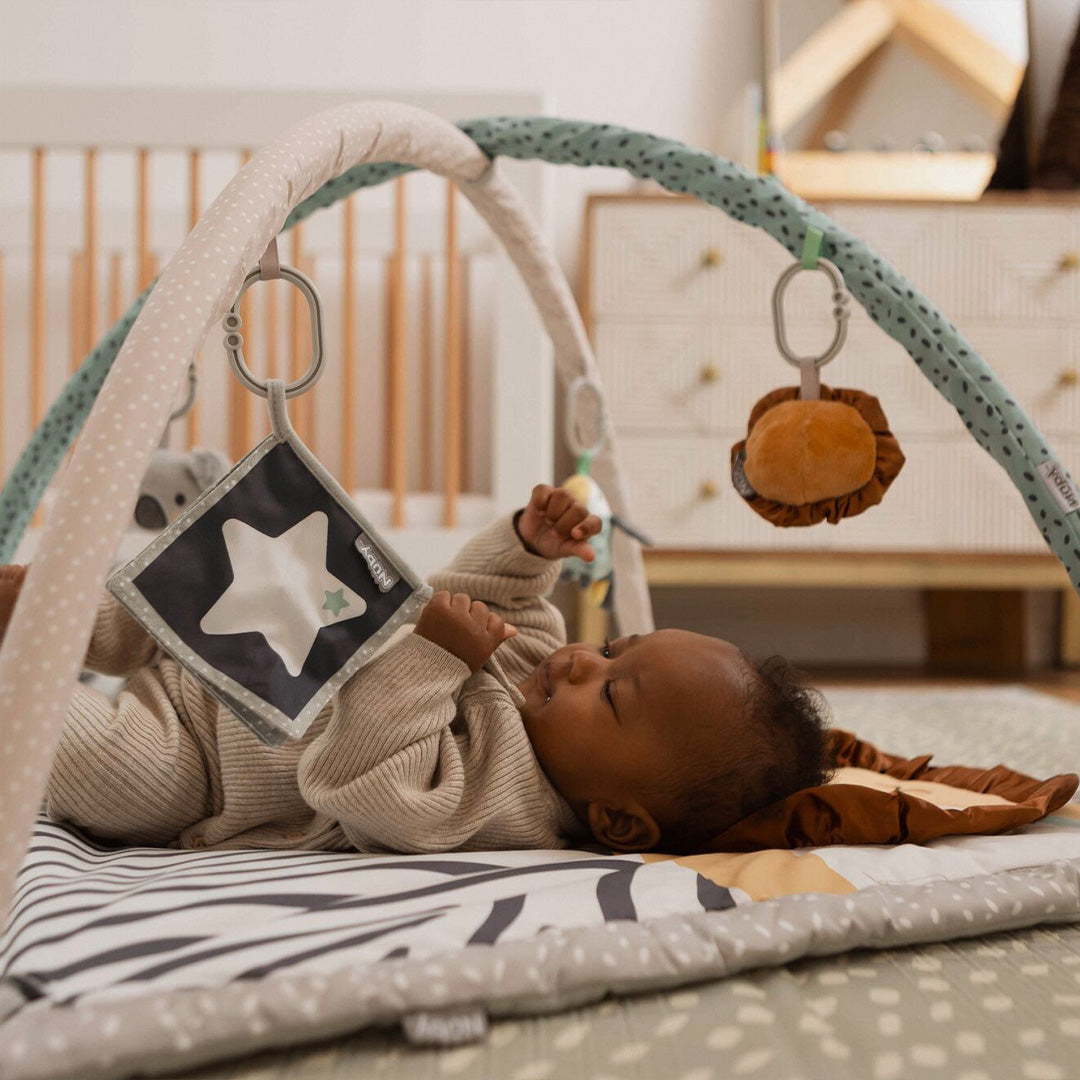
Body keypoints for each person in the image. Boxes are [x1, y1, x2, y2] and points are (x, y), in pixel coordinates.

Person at [0, 483, 833, 856]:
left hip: (203, 763)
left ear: (616, 819)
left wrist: (437, 658)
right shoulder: (545, 662)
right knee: (153, 595)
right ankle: (55, 616)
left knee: (90, 756)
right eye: (614, 649)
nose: (583, 660)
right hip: (238, 644)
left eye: (612, 694)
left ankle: (23, 683)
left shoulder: (496, 806)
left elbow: (360, 780)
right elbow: (488, 593)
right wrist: (529, 545)